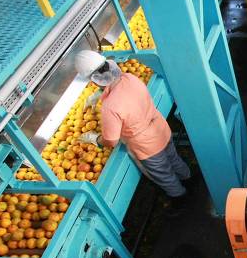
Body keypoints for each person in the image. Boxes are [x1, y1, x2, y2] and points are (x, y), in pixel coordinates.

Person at [74, 50, 192, 205]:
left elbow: (111, 141)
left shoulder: (109, 107)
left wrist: (94, 138)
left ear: (94, 80)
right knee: (173, 157)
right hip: (161, 128)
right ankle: (189, 178)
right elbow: (124, 94)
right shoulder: (129, 78)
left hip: (147, 146)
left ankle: (180, 198)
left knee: (163, 174)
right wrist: (101, 94)